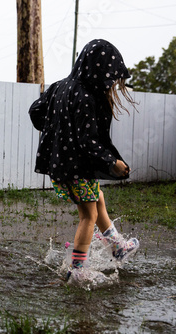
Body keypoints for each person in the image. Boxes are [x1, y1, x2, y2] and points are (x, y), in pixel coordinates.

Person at [28, 39, 139, 282]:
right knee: (88, 216)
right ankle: (76, 269)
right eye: (109, 77)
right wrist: (112, 162)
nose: (110, 83)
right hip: (76, 167)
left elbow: (35, 111)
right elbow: (89, 141)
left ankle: (116, 244)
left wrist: (54, 130)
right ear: (98, 69)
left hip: (60, 166)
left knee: (97, 196)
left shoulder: (59, 87)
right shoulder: (87, 96)